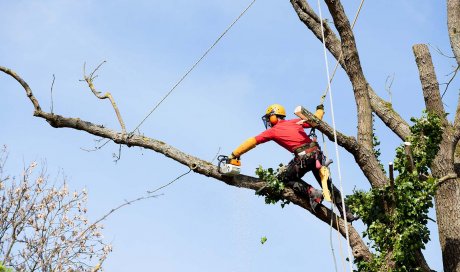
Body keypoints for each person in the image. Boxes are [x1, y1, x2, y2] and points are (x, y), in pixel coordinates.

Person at [228, 103, 357, 222]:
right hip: (316, 155)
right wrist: (320, 110)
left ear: (274, 117)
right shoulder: (296, 122)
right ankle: (347, 213)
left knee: (285, 178)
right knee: (328, 185)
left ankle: (312, 192)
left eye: (269, 118)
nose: (268, 121)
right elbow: (316, 120)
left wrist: (235, 154)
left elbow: (253, 141)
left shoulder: (273, 131)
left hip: (304, 157)